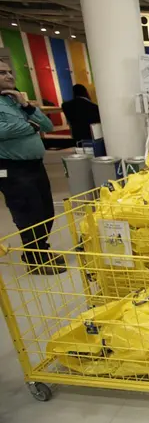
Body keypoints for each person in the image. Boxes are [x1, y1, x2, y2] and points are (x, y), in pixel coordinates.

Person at [0, 58, 65, 274]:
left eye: (10, 72)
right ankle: (35, 259)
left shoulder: (15, 100)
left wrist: (26, 106)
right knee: (28, 212)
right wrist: (31, 125)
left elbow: (47, 125)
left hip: (35, 166)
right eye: (2, 73)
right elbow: (4, 132)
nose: (9, 76)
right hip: (12, 169)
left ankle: (41, 250)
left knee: (46, 210)